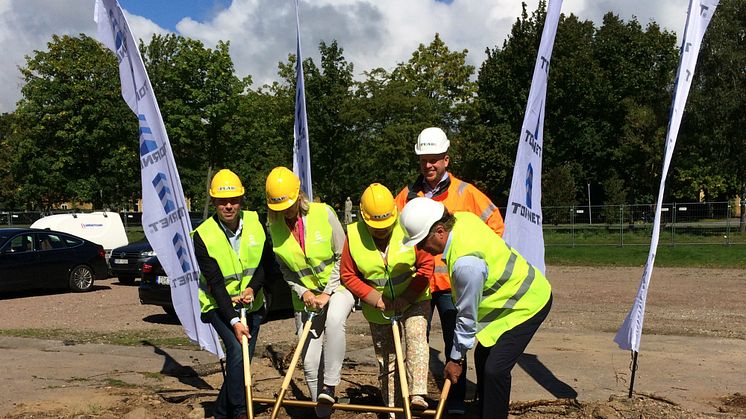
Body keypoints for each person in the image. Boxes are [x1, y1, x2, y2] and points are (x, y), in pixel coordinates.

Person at [399, 197, 552, 419]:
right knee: (483, 356)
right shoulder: (462, 219)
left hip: (529, 303)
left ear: (440, 231)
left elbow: (466, 318)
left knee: (495, 370)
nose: (419, 248)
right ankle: (485, 411)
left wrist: (455, 360)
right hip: (508, 304)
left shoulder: (466, 264)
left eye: (422, 241)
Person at [394, 126, 505, 414]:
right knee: (414, 339)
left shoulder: (464, 193)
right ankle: (411, 398)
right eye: (423, 160)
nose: (428, 165)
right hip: (419, 281)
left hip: (450, 284)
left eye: (434, 159)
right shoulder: (407, 195)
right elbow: (394, 234)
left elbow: (495, 225)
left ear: (446, 159)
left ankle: (454, 403)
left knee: (455, 340)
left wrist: (479, 260)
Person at [265, 166, 355, 416]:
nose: (285, 212)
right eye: (279, 208)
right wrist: (303, 292)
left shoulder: (323, 213)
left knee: (336, 320)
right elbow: (287, 271)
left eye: (289, 205)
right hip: (306, 300)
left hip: (338, 288)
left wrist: (328, 292)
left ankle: (330, 385)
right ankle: (322, 411)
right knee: (309, 361)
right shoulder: (275, 227)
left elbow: (343, 256)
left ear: (299, 196)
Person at [192, 169, 283, 419]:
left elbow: (265, 265)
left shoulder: (256, 223)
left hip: (252, 305)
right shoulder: (203, 235)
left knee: (242, 361)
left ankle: (222, 412)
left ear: (241, 200)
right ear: (214, 203)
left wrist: (253, 288)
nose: (228, 206)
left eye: (233, 200)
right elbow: (215, 282)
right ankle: (241, 411)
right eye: (222, 202)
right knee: (236, 349)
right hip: (217, 305)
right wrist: (232, 319)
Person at [340, 183, 433, 414]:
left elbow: (426, 265)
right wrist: (375, 298)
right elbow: (347, 275)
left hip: (414, 297)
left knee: (416, 339)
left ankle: (417, 395)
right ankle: (392, 408)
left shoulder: (408, 226)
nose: (381, 230)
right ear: (363, 217)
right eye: (375, 226)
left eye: (385, 224)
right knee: (387, 358)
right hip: (379, 307)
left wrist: (407, 297)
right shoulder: (353, 235)